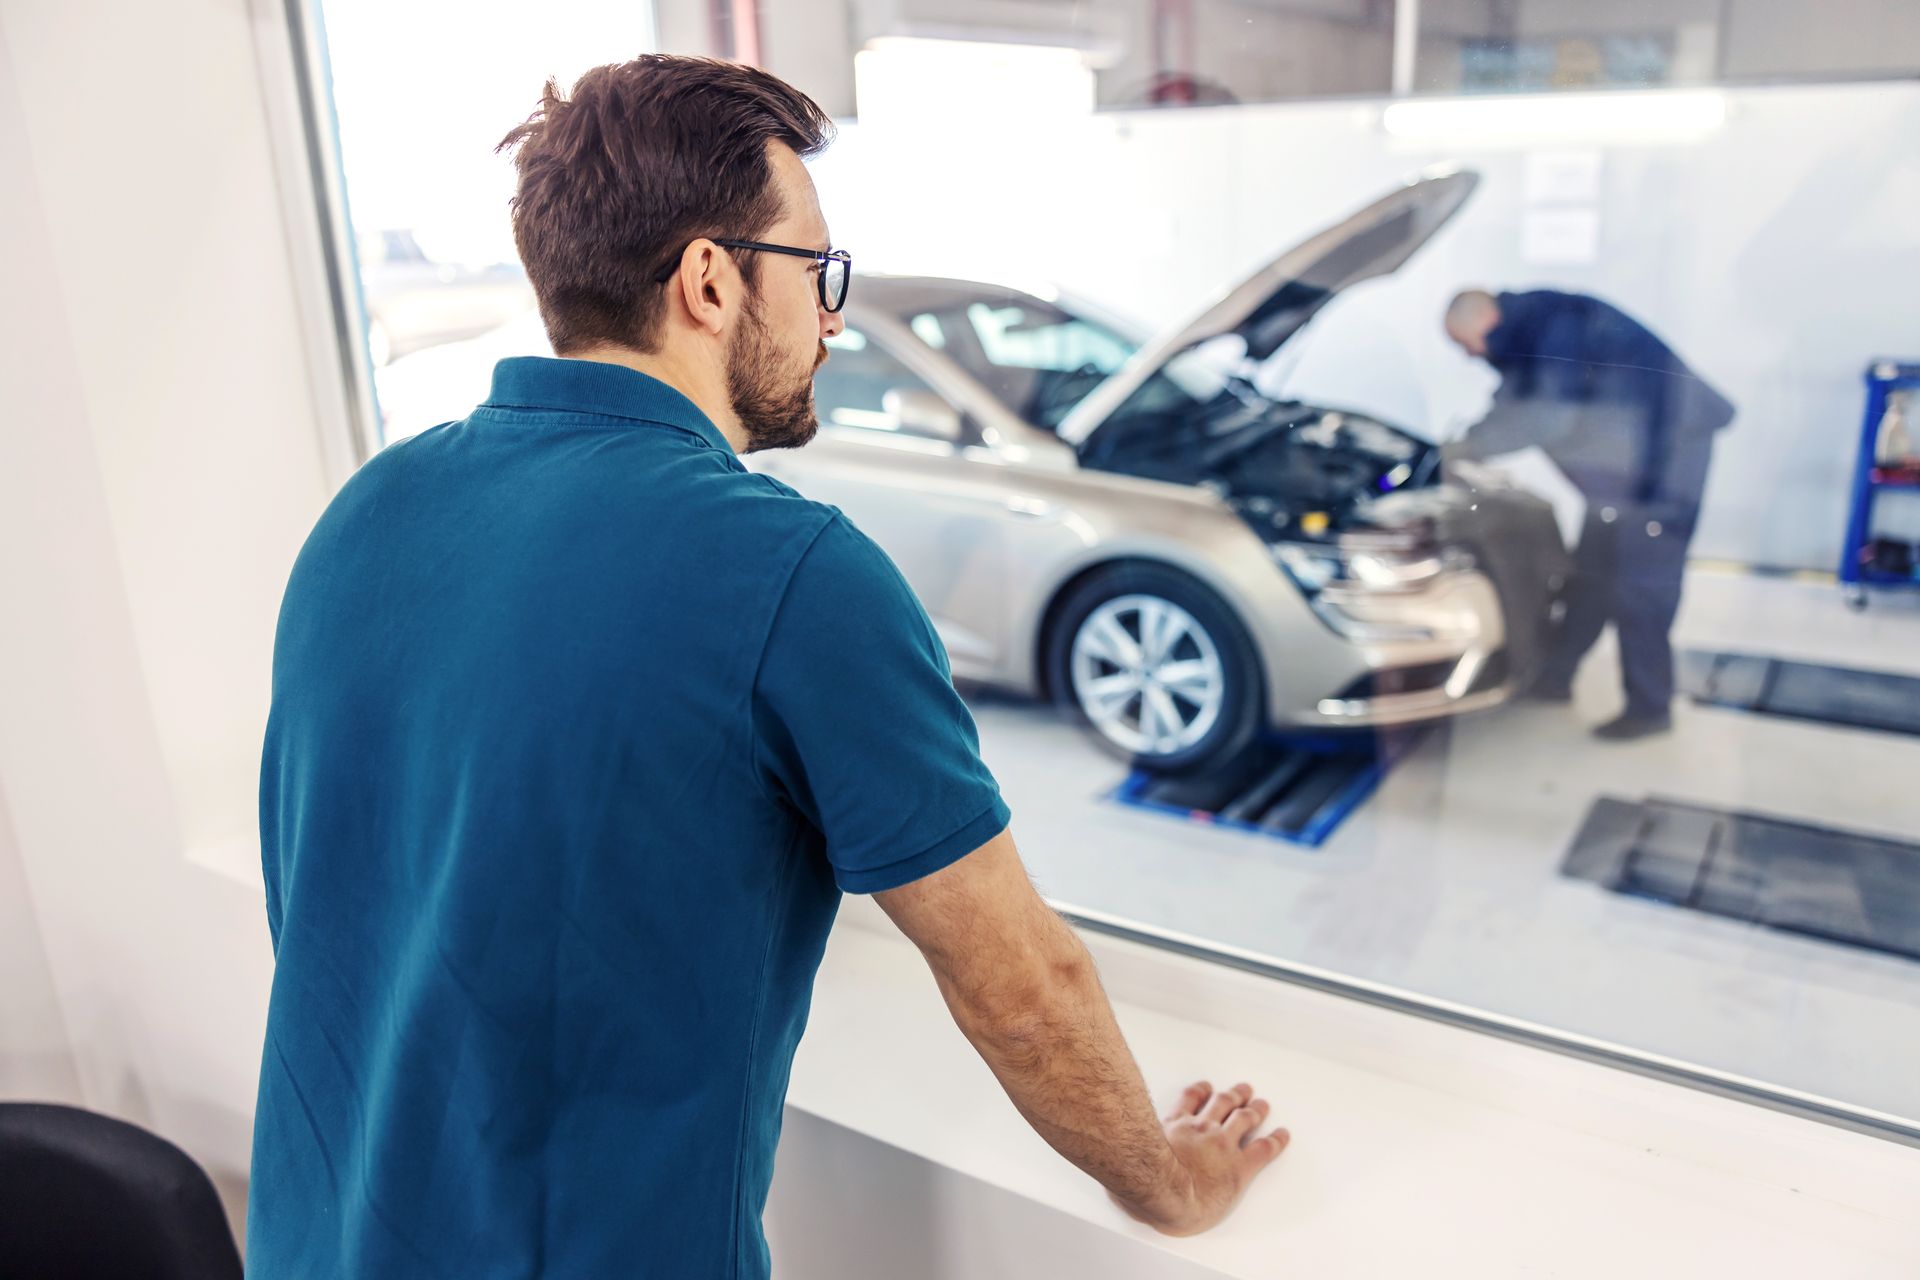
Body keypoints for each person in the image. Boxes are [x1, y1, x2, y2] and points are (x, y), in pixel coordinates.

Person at [246, 55, 1289, 1278]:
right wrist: (1175, 1185)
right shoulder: (789, 569)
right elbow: (1018, 983)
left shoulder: (369, 507)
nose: (834, 317)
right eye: (815, 269)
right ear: (707, 280)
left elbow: (365, 884)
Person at [1443, 288, 1735, 740]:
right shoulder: (1533, 330)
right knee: (1593, 573)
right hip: (1626, 471)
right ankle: (1555, 679)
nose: (1468, 357)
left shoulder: (1554, 325)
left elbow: (1547, 417)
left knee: (1641, 586)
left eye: (1464, 345)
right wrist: (1465, 443)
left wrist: (1467, 449)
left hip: (1666, 460)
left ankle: (1650, 707)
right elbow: (1517, 401)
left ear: (1483, 320)